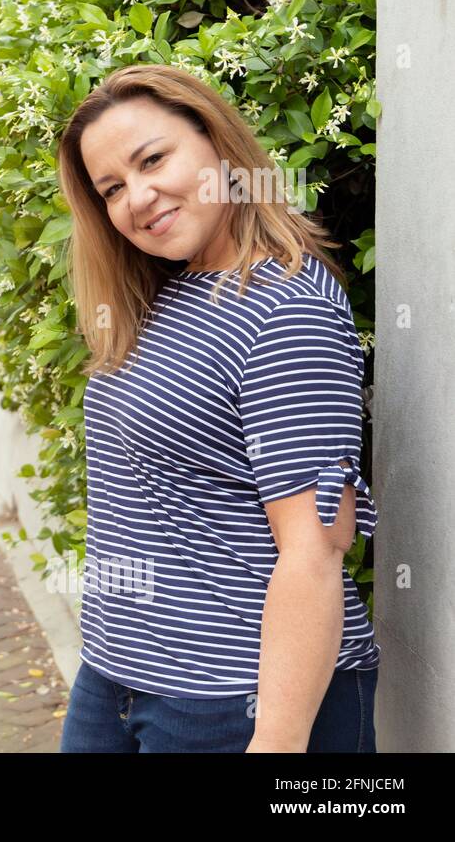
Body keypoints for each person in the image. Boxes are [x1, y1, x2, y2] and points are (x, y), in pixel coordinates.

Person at [54, 63, 379, 753]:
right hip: (116, 678)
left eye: (154, 159)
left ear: (219, 145)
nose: (138, 198)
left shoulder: (285, 309)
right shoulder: (170, 295)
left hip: (235, 702)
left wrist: (276, 741)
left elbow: (316, 550)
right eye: (112, 189)